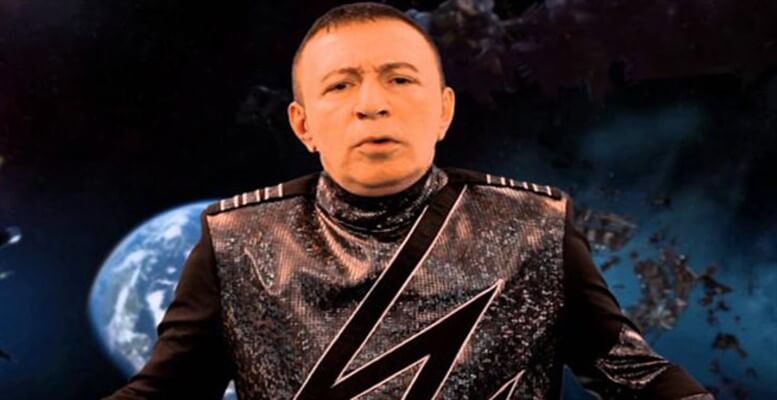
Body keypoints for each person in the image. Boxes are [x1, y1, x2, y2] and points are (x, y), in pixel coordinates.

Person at [105, 2, 713, 399]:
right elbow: (165, 392)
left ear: (444, 110)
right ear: (302, 124)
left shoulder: (534, 227)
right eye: (340, 85)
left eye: (399, 79)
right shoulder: (237, 240)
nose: (373, 104)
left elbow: (636, 377)